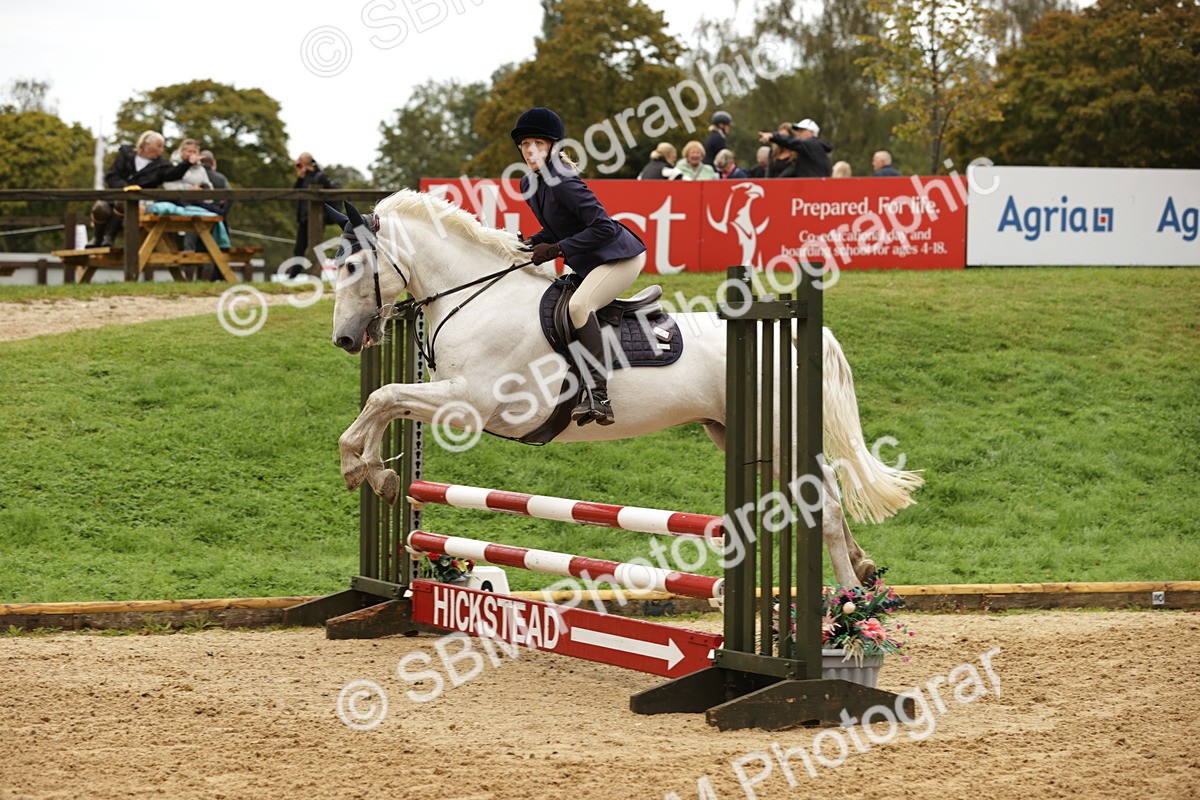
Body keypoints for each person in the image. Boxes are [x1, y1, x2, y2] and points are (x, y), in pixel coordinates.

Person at [512, 107, 647, 427]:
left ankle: (599, 396)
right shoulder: (529, 183)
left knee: (580, 306)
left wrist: (558, 249)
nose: (530, 150)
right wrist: (529, 244)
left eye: (538, 144)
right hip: (591, 260)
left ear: (553, 146)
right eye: (525, 144)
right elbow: (557, 226)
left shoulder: (564, 181)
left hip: (619, 257)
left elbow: (601, 227)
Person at [88, 131, 195, 247]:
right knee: (100, 207)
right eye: (159, 146)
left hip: (139, 202)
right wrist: (125, 187)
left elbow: (174, 174)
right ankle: (97, 238)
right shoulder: (126, 155)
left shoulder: (161, 165)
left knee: (123, 204)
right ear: (147, 145)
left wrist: (187, 163)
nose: (162, 150)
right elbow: (112, 176)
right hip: (117, 194)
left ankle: (110, 237)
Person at [290, 152, 339, 278]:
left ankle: (313, 275)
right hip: (303, 218)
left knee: (315, 247)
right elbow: (294, 193)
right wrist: (300, 177)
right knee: (299, 248)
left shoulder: (320, 176)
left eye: (299, 164)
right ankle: (293, 275)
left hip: (316, 218)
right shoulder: (304, 177)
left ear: (304, 162)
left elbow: (331, 195)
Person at [758, 118, 833, 178]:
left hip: (813, 187)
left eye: (802, 130)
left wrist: (773, 136)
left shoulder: (812, 144)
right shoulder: (813, 146)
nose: (798, 133)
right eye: (798, 130)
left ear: (811, 132)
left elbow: (791, 142)